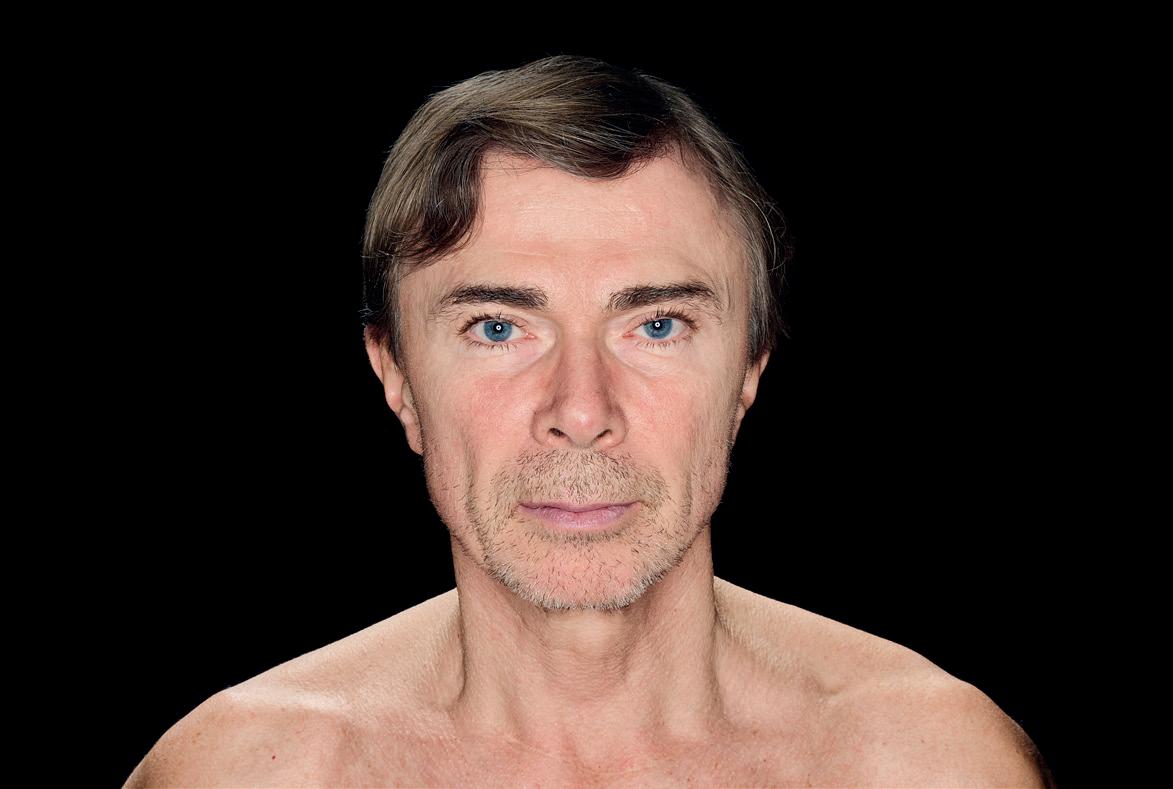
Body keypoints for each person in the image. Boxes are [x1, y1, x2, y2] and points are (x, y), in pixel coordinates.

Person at [125, 54, 1054, 787]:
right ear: (395, 376)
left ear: (748, 373)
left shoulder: (921, 763)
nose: (579, 410)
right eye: (498, 327)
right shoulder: (253, 771)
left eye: (656, 324)